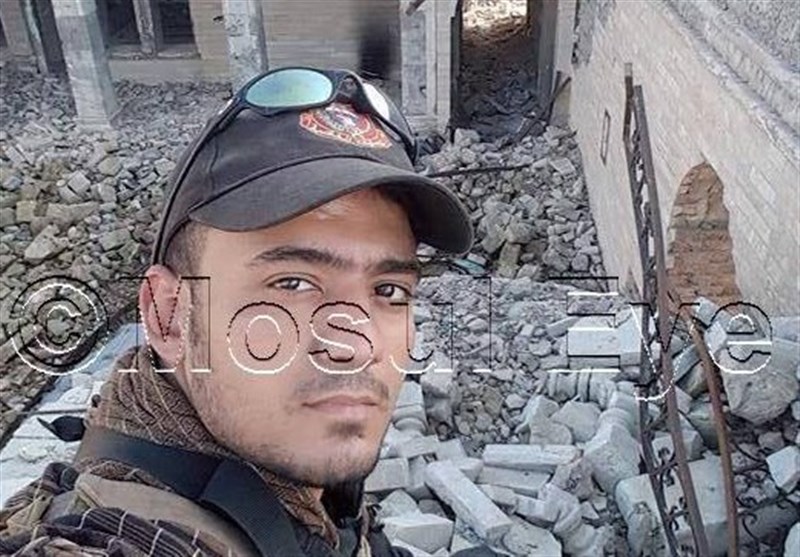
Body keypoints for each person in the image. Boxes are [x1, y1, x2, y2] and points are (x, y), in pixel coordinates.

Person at [0, 68, 499, 556]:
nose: (356, 344)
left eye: (389, 290)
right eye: (293, 284)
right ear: (168, 316)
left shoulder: (288, 474)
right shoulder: (111, 536)